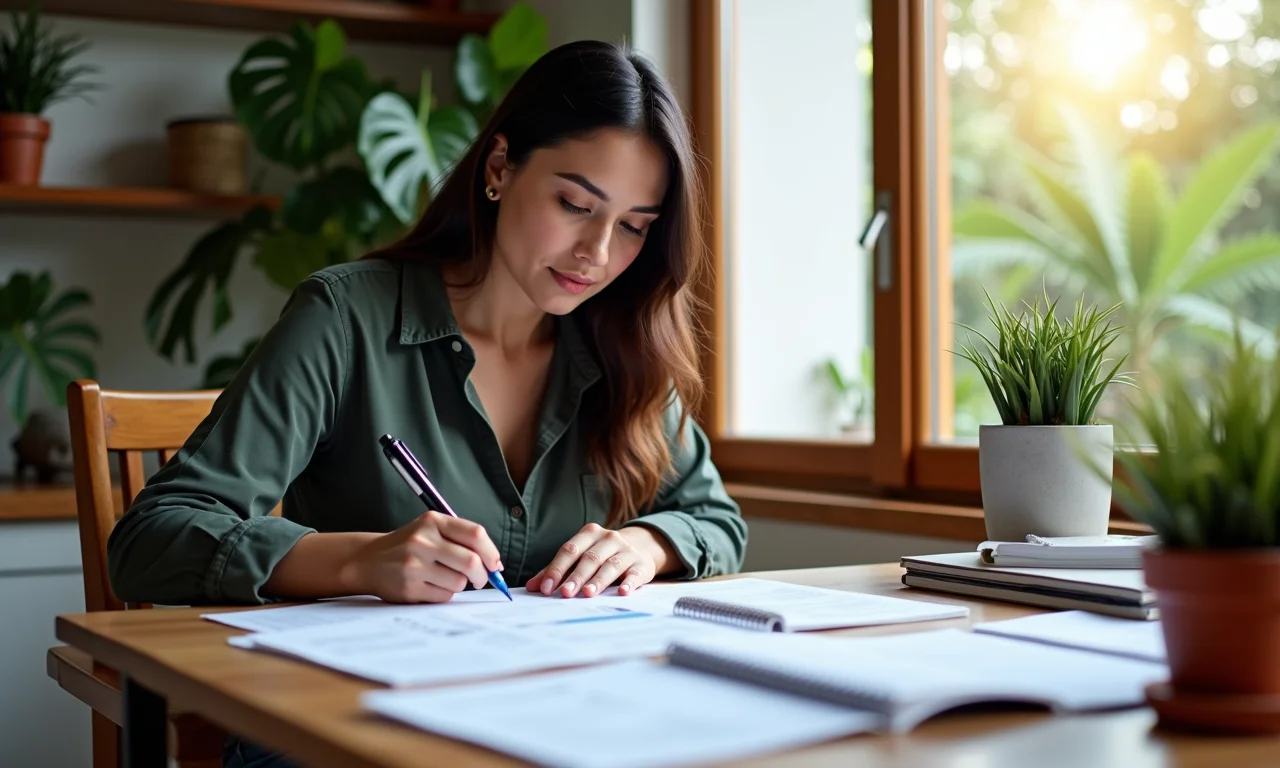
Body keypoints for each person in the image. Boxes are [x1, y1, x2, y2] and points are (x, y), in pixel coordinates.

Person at [106, 38, 748, 768]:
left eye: (634, 225)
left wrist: (646, 543)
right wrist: (354, 564)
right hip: (341, 723)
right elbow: (150, 539)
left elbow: (715, 521)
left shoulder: (622, 346)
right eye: (575, 204)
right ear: (500, 169)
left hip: (559, 714)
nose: (597, 253)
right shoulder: (346, 318)